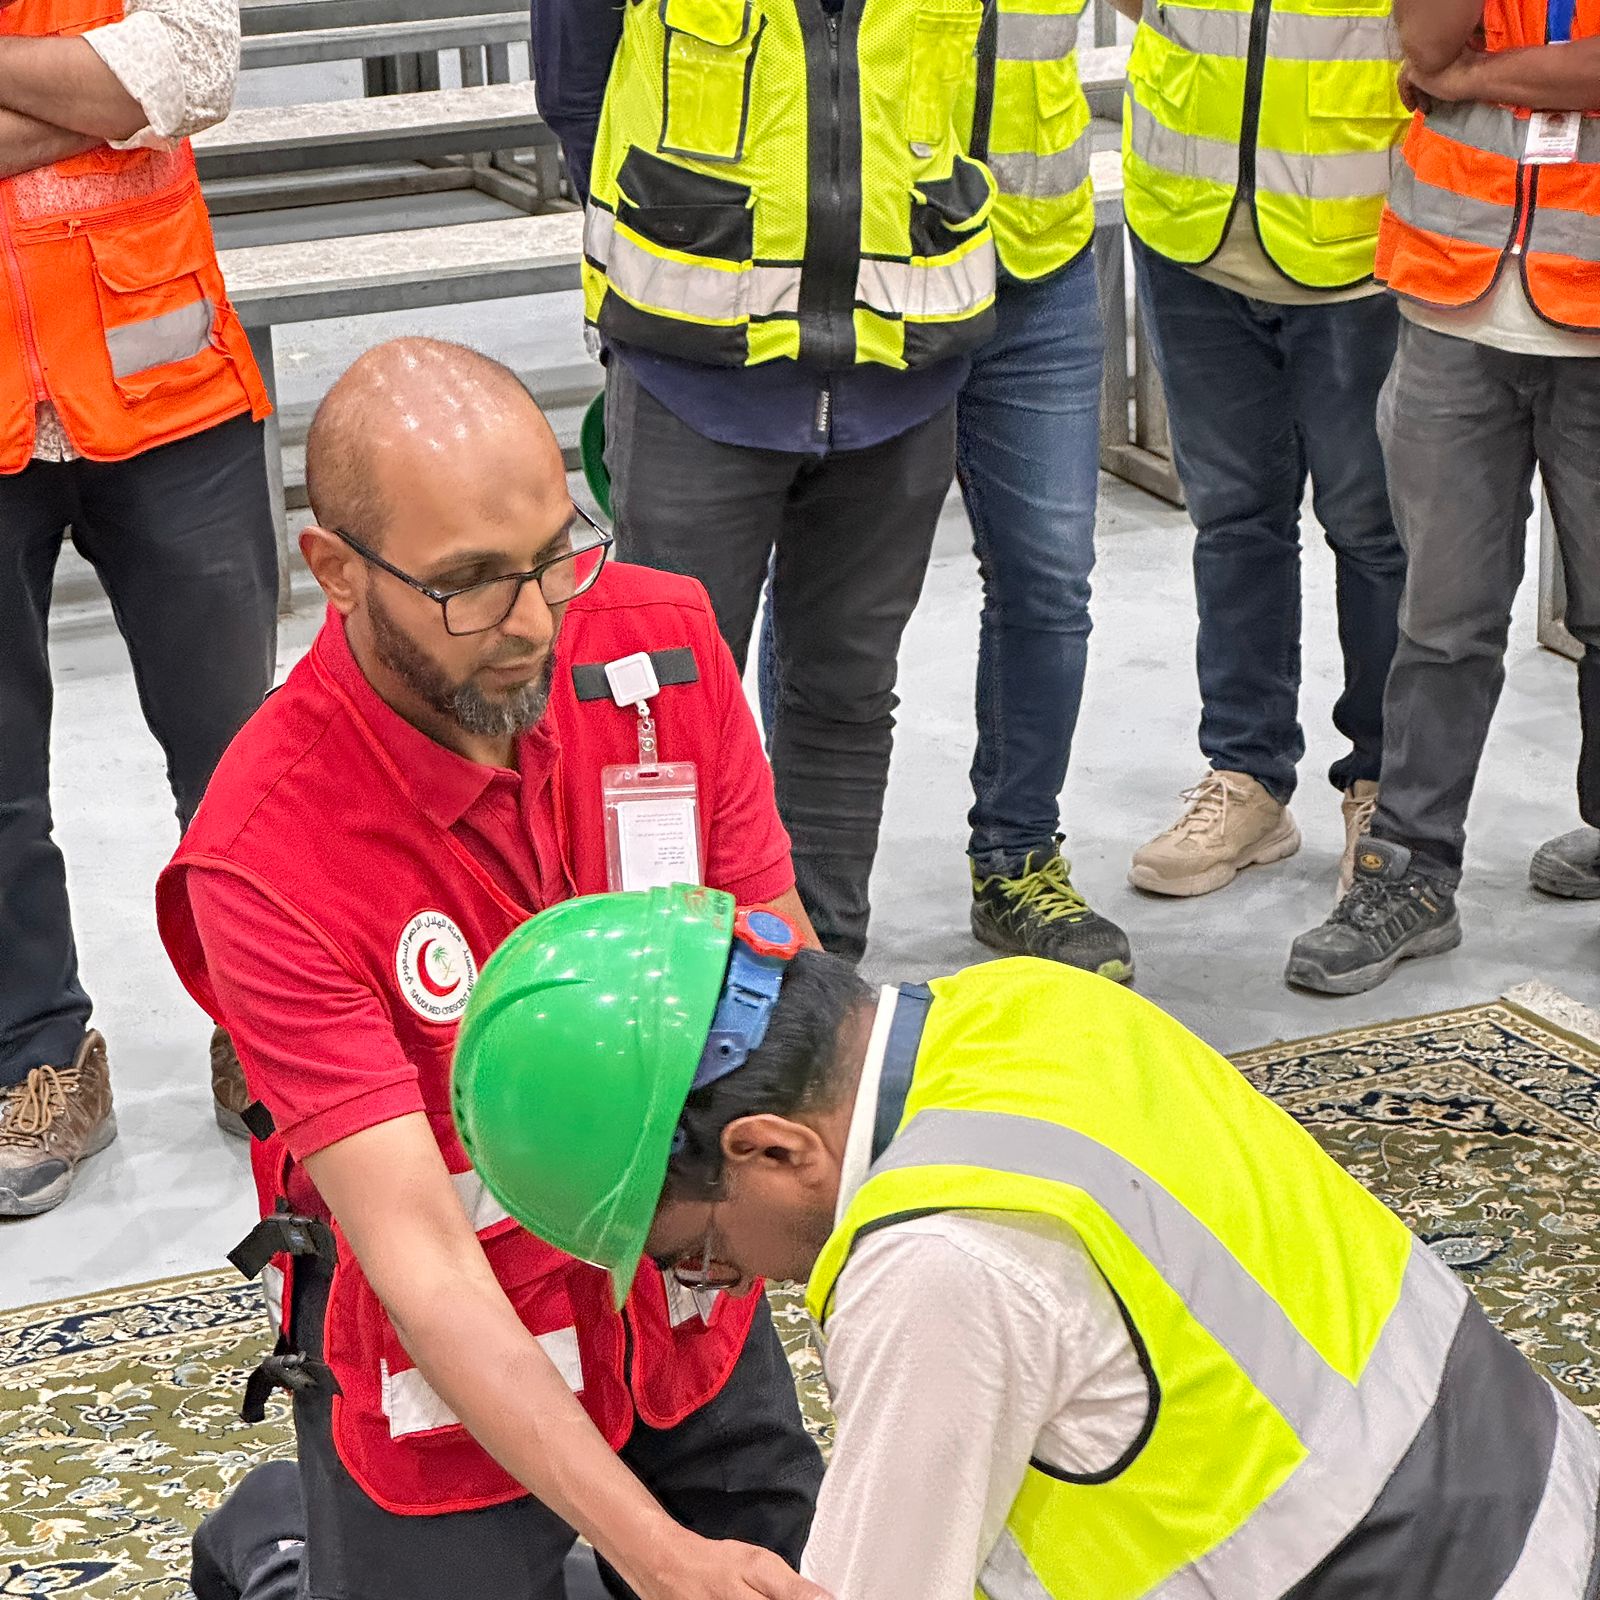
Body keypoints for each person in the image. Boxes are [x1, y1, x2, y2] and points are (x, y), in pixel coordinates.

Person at [156, 340, 824, 1600]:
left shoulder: (657, 647)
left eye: (552, 554)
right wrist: (658, 1555)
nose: (531, 622)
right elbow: (421, 1256)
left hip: (674, 1293)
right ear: (337, 571)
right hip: (452, 1352)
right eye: (467, 583)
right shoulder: (263, 851)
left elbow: (797, 1014)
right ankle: (272, 1546)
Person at [455, 885, 1600, 1600]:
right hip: (1544, 1511)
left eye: (695, 1254)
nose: (726, 1284)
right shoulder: (1035, 1002)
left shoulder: (936, 1265)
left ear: (769, 1149)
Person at [531, 0, 998, 964]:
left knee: (848, 692)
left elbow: (970, 91)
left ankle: (818, 976)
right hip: (694, 369)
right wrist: (678, 224)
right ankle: (666, 986)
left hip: (897, 366)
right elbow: (575, 86)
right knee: (654, 708)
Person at [753, 0, 1131, 979]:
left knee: (1049, 577)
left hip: (1034, 258)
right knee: (829, 595)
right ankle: (791, 896)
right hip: (877, 264)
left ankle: (1018, 859)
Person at [0, 0, 277, 1217]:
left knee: (239, 761)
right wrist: (98, 98)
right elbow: (134, 89)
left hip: (166, 390)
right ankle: (35, 1055)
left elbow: (191, 65)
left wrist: (134, 92)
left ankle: (268, 1029)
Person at [1287, 0, 1600, 993]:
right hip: (1454, 299)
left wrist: (1473, 80)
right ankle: (1408, 874)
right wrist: (1456, 67)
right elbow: (1424, 43)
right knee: (1441, 619)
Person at [1109, 0, 1411, 902]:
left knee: (1378, 532)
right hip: (1188, 226)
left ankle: (1387, 788)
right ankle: (1247, 780)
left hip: (1359, 243)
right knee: (1234, 522)